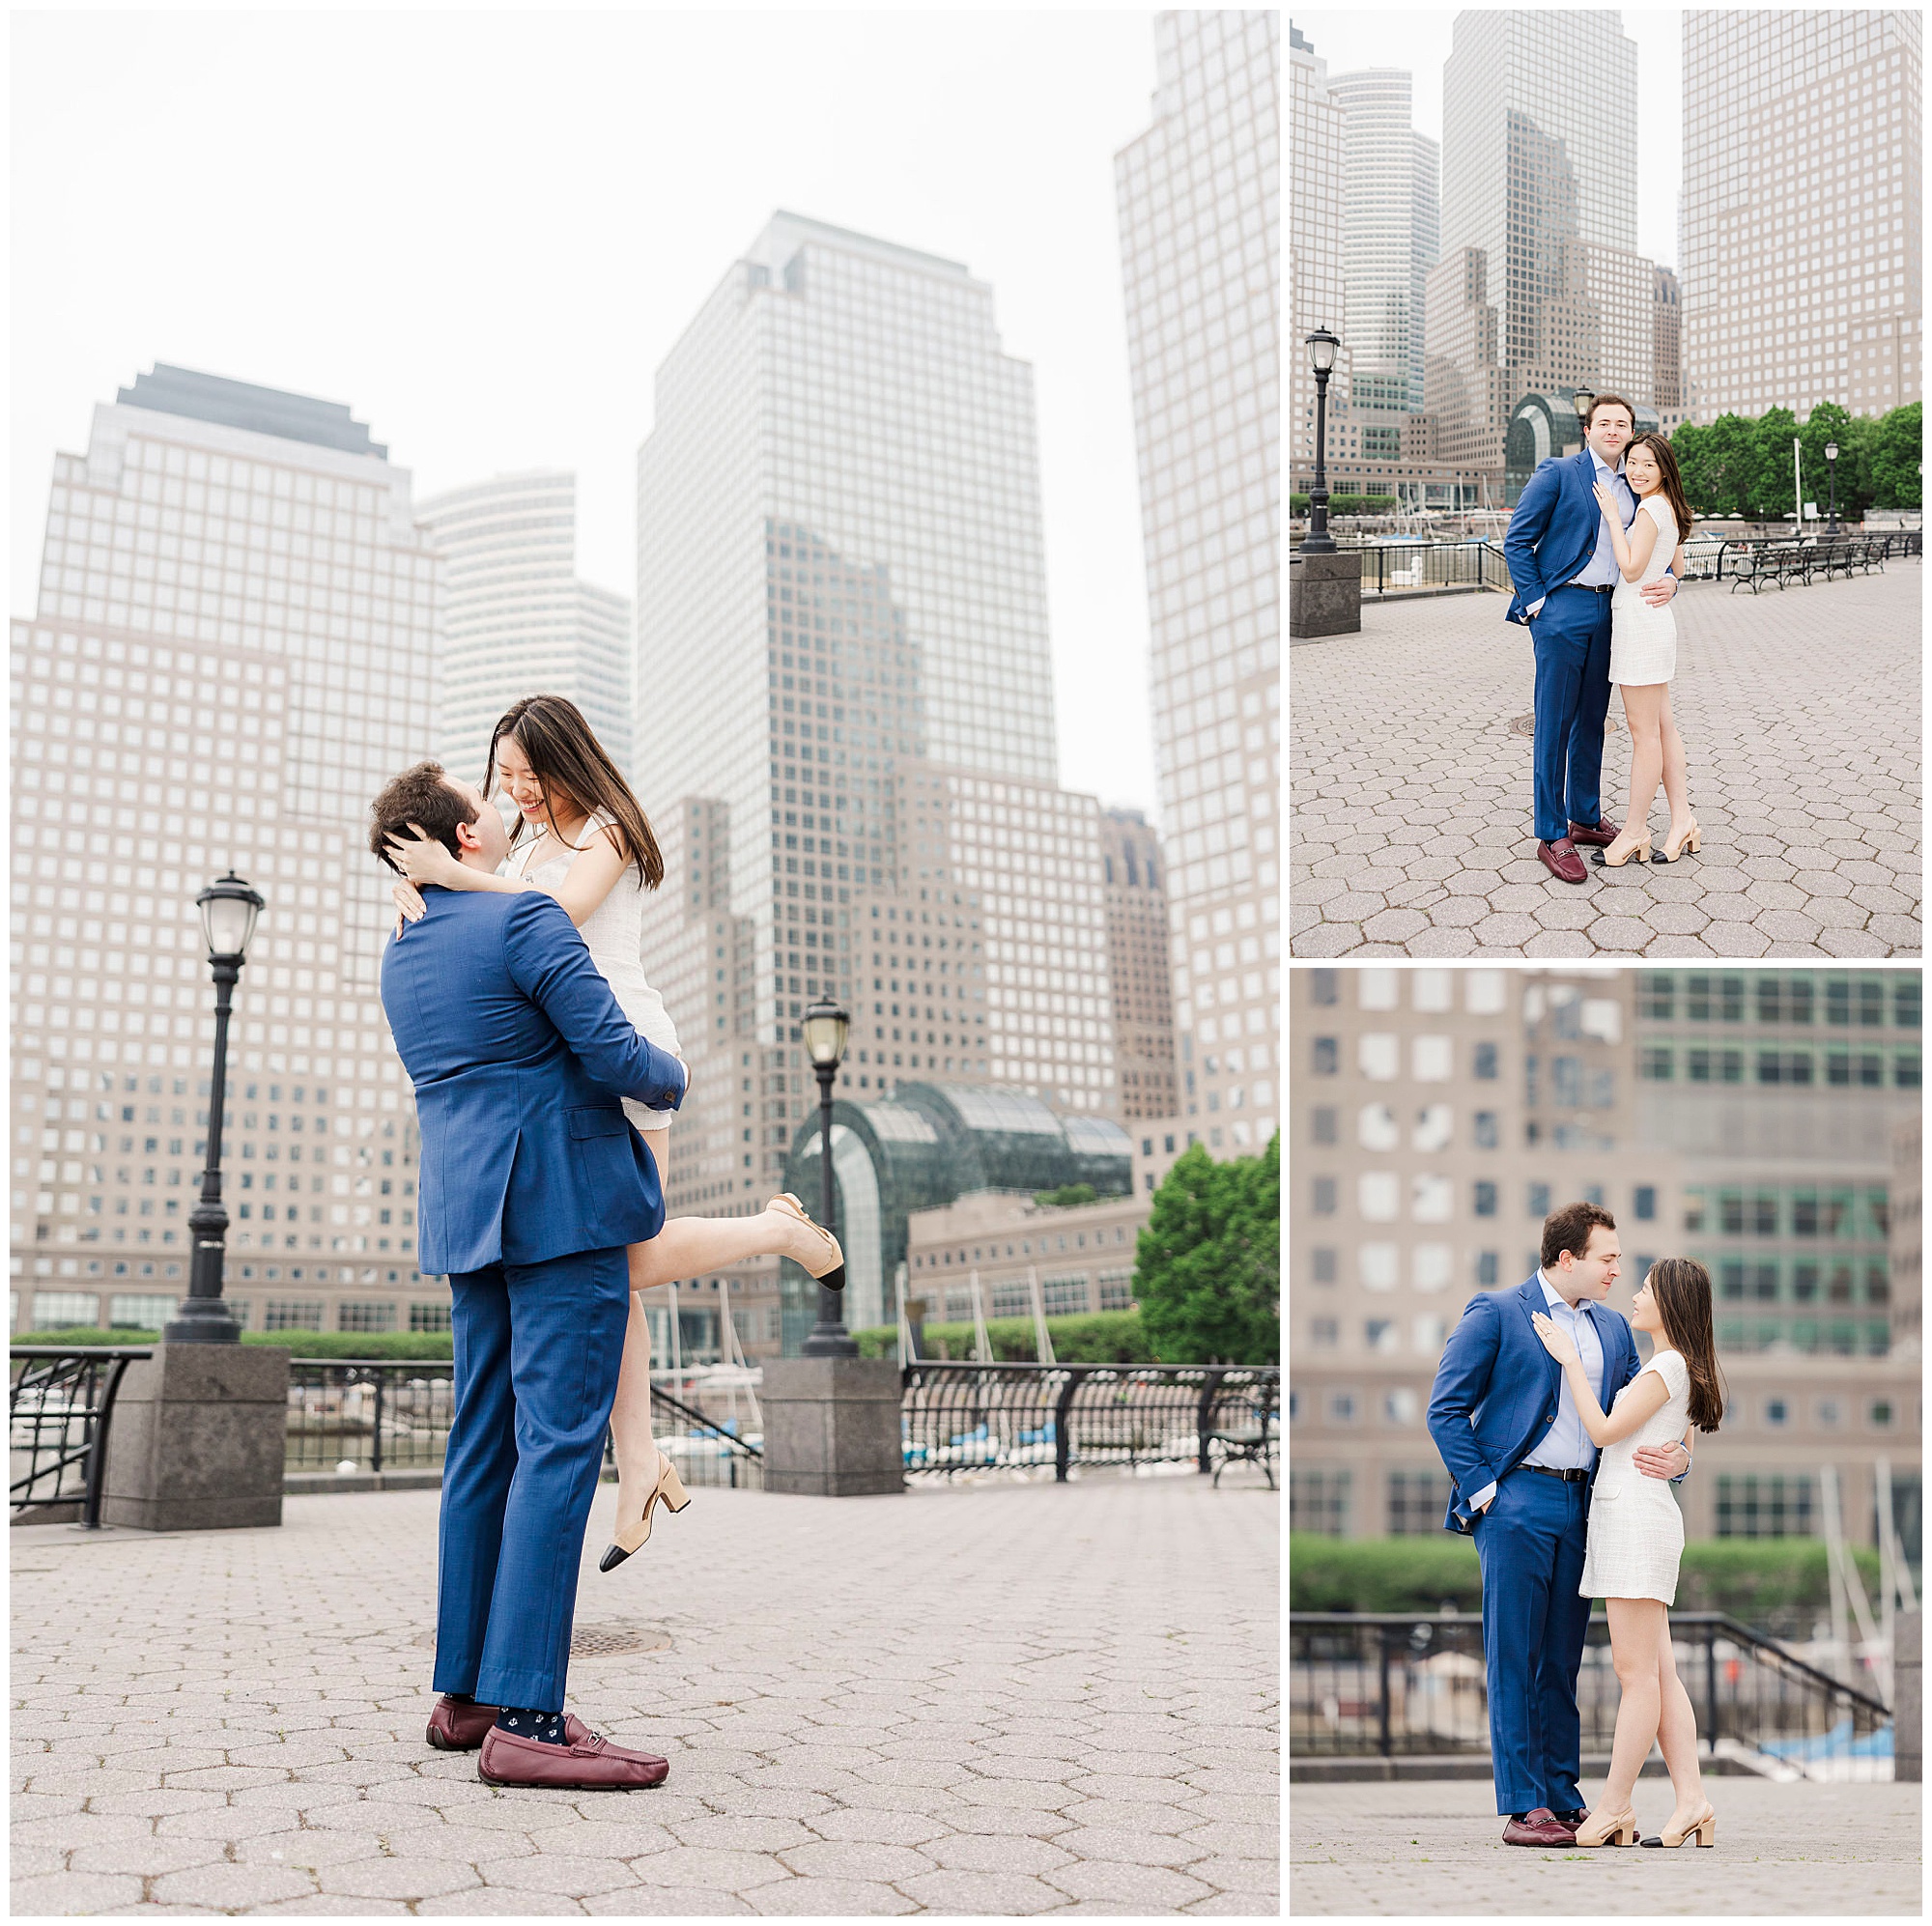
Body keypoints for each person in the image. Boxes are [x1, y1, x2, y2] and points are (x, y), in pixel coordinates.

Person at [385, 695, 845, 1573]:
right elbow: (496, 905)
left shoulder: (608, 828)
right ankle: (638, 1462)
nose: (516, 791)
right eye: (505, 778)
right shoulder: (514, 847)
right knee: (610, 1270)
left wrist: (449, 877)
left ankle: (777, 1230)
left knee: (624, 1255)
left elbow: (558, 909)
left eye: (530, 774)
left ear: (569, 760)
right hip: (558, 1061)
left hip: (623, 1048)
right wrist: (418, 895)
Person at [371, 759, 689, 1791]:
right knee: (558, 1447)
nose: (500, 808)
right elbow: (615, 1053)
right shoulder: (526, 922)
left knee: (481, 1448)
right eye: (484, 802)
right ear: (464, 837)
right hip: (563, 1205)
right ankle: (529, 1719)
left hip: (469, 1217)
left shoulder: (403, 948)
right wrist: (673, 1074)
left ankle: (462, 1696)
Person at [1426, 1203, 1691, 1847]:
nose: (1616, 1270)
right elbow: (1446, 1408)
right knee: (1514, 1655)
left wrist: (1682, 1457)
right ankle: (1524, 1807)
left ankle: (1562, 1797)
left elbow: (1646, 1412)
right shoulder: (1496, 1312)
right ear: (1566, 1258)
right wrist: (1487, 1491)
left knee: (1563, 1661)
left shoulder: (1613, 1329)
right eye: (1606, 1258)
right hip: (1516, 1504)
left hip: (1587, 1507)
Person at [1531, 1257, 1725, 1850]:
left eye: (1645, 1288)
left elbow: (1603, 1431)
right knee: (1660, 1672)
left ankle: (1614, 1805)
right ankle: (1692, 1801)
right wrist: (1683, 1459)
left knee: (1635, 1675)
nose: (1635, 1296)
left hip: (1635, 1523)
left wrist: (1570, 1363)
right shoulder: (1677, 1365)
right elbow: (1679, 1441)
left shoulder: (1666, 1364)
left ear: (1668, 1303)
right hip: (1641, 1518)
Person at [1502, 395, 1681, 886]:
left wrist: (1673, 580)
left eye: (1621, 423)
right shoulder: (1559, 472)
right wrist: (1538, 605)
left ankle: (1584, 815)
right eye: (1603, 421)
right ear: (1587, 429)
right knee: (1554, 722)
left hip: (1615, 612)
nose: (1612, 429)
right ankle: (1551, 831)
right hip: (1563, 610)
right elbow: (1517, 539)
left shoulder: (1638, 485)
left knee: (1592, 721)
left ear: (1630, 432)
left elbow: (1660, 546)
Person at [1588, 432, 1700, 869]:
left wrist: (1614, 518)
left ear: (1664, 470)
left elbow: (1632, 570)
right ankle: (1682, 820)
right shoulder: (1667, 506)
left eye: (1647, 465)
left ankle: (1635, 830)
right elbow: (1678, 566)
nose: (1636, 471)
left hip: (1640, 624)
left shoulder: (1651, 508)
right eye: (1632, 462)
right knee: (1663, 728)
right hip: (1652, 623)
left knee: (1644, 735)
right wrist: (1671, 581)